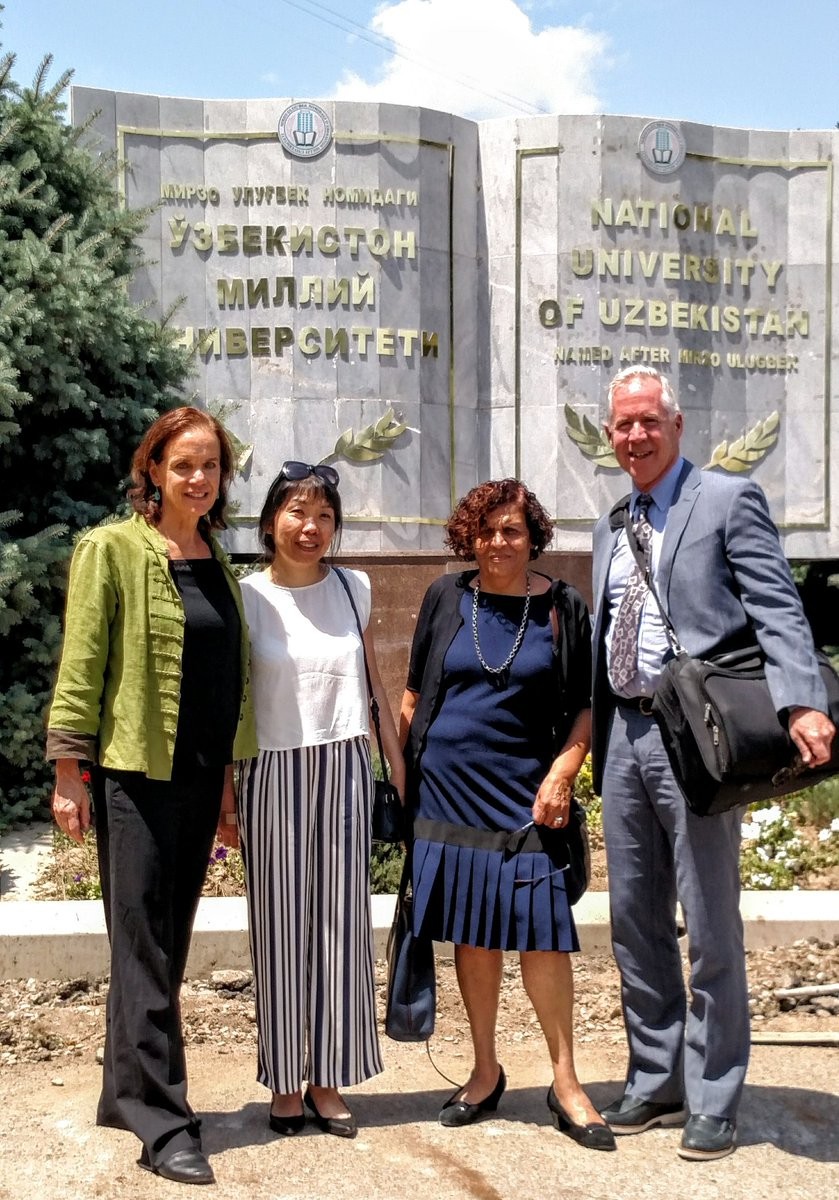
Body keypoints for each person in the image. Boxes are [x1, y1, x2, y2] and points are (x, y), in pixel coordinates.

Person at [591, 364, 835, 1161]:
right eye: (621, 424)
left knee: (708, 919)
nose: (633, 435)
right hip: (625, 738)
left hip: (696, 739)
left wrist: (802, 700)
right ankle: (657, 1077)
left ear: (676, 424)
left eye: (646, 422)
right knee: (633, 922)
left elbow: (775, 606)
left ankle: (715, 1092)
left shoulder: (726, 499)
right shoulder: (609, 521)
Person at [47, 406, 256, 1186]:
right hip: (133, 776)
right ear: (153, 470)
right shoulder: (112, 548)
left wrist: (230, 782)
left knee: (163, 939)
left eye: (210, 466)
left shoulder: (216, 559)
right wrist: (70, 768)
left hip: (201, 778)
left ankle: (122, 1090)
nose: (197, 478)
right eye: (183, 465)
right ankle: (164, 1122)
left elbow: (230, 681)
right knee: (144, 944)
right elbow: (84, 660)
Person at [400, 479, 614, 1151]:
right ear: (470, 535)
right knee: (473, 932)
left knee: (542, 935)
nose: (498, 542)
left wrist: (562, 773)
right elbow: (411, 698)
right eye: (487, 530)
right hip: (448, 797)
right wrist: (411, 787)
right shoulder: (445, 597)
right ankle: (484, 1070)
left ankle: (565, 1081)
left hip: (526, 797)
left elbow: (585, 705)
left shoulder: (560, 607)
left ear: (533, 537)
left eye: (512, 531)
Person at [234, 461, 404, 1139]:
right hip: (270, 765)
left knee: (339, 925)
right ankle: (282, 1079)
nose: (310, 528)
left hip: (341, 763)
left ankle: (328, 1077)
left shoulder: (352, 587)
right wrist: (225, 788)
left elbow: (373, 683)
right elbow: (234, 700)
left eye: (324, 516)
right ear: (271, 519)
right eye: (297, 513)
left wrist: (396, 765)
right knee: (277, 927)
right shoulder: (246, 595)